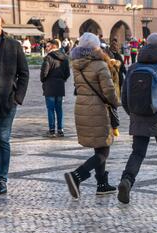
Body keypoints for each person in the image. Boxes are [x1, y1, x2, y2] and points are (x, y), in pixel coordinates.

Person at [117, 33, 157, 203]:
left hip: (139, 117)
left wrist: (134, 114)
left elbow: (124, 97)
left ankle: (127, 181)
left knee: (137, 153)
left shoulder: (133, 68)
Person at [64, 32, 120, 199]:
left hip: (82, 108)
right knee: (103, 151)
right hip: (97, 109)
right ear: (95, 47)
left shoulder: (77, 64)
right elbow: (109, 91)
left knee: (100, 146)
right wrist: (117, 102)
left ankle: (102, 184)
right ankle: (77, 175)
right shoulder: (100, 65)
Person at [0, 11, 29, 194]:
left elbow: (24, 73)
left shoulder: (13, 45)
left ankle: (1, 179)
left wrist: (17, 97)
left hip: (6, 101)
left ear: (1, 26)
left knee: (2, 139)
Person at [40, 39, 70, 138]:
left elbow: (44, 73)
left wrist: (43, 80)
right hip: (60, 86)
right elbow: (68, 73)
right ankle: (60, 130)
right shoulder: (65, 57)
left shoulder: (48, 57)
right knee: (59, 109)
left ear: (53, 46)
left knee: (50, 109)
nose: (46, 48)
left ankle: (52, 130)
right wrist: (62, 79)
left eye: (48, 46)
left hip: (49, 86)